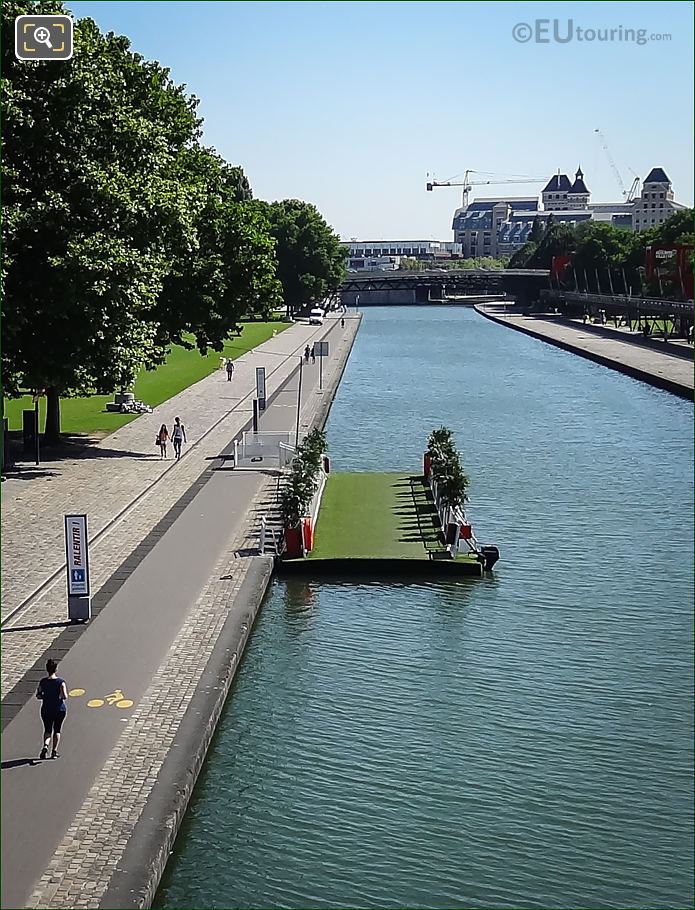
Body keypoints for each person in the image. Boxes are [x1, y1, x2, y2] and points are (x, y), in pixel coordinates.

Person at [36, 659, 68, 759]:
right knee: (57, 730)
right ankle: (54, 751)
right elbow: (64, 696)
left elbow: (38, 695)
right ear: (56, 669)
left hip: (46, 709)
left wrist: (45, 696)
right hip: (59, 709)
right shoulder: (61, 682)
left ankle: (45, 746)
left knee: (47, 730)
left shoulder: (43, 682)